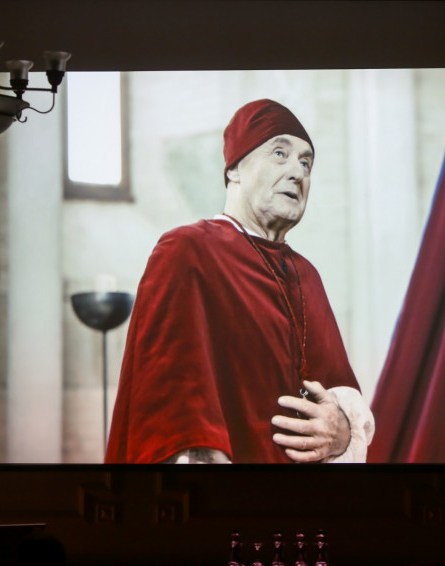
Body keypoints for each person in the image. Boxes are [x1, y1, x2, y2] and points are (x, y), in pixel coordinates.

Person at [105, 99, 374, 464]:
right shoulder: (188, 249)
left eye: (306, 163)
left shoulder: (307, 275)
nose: (297, 172)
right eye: (279, 154)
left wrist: (343, 434)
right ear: (234, 169)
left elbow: (338, 391)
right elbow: (171, 407)